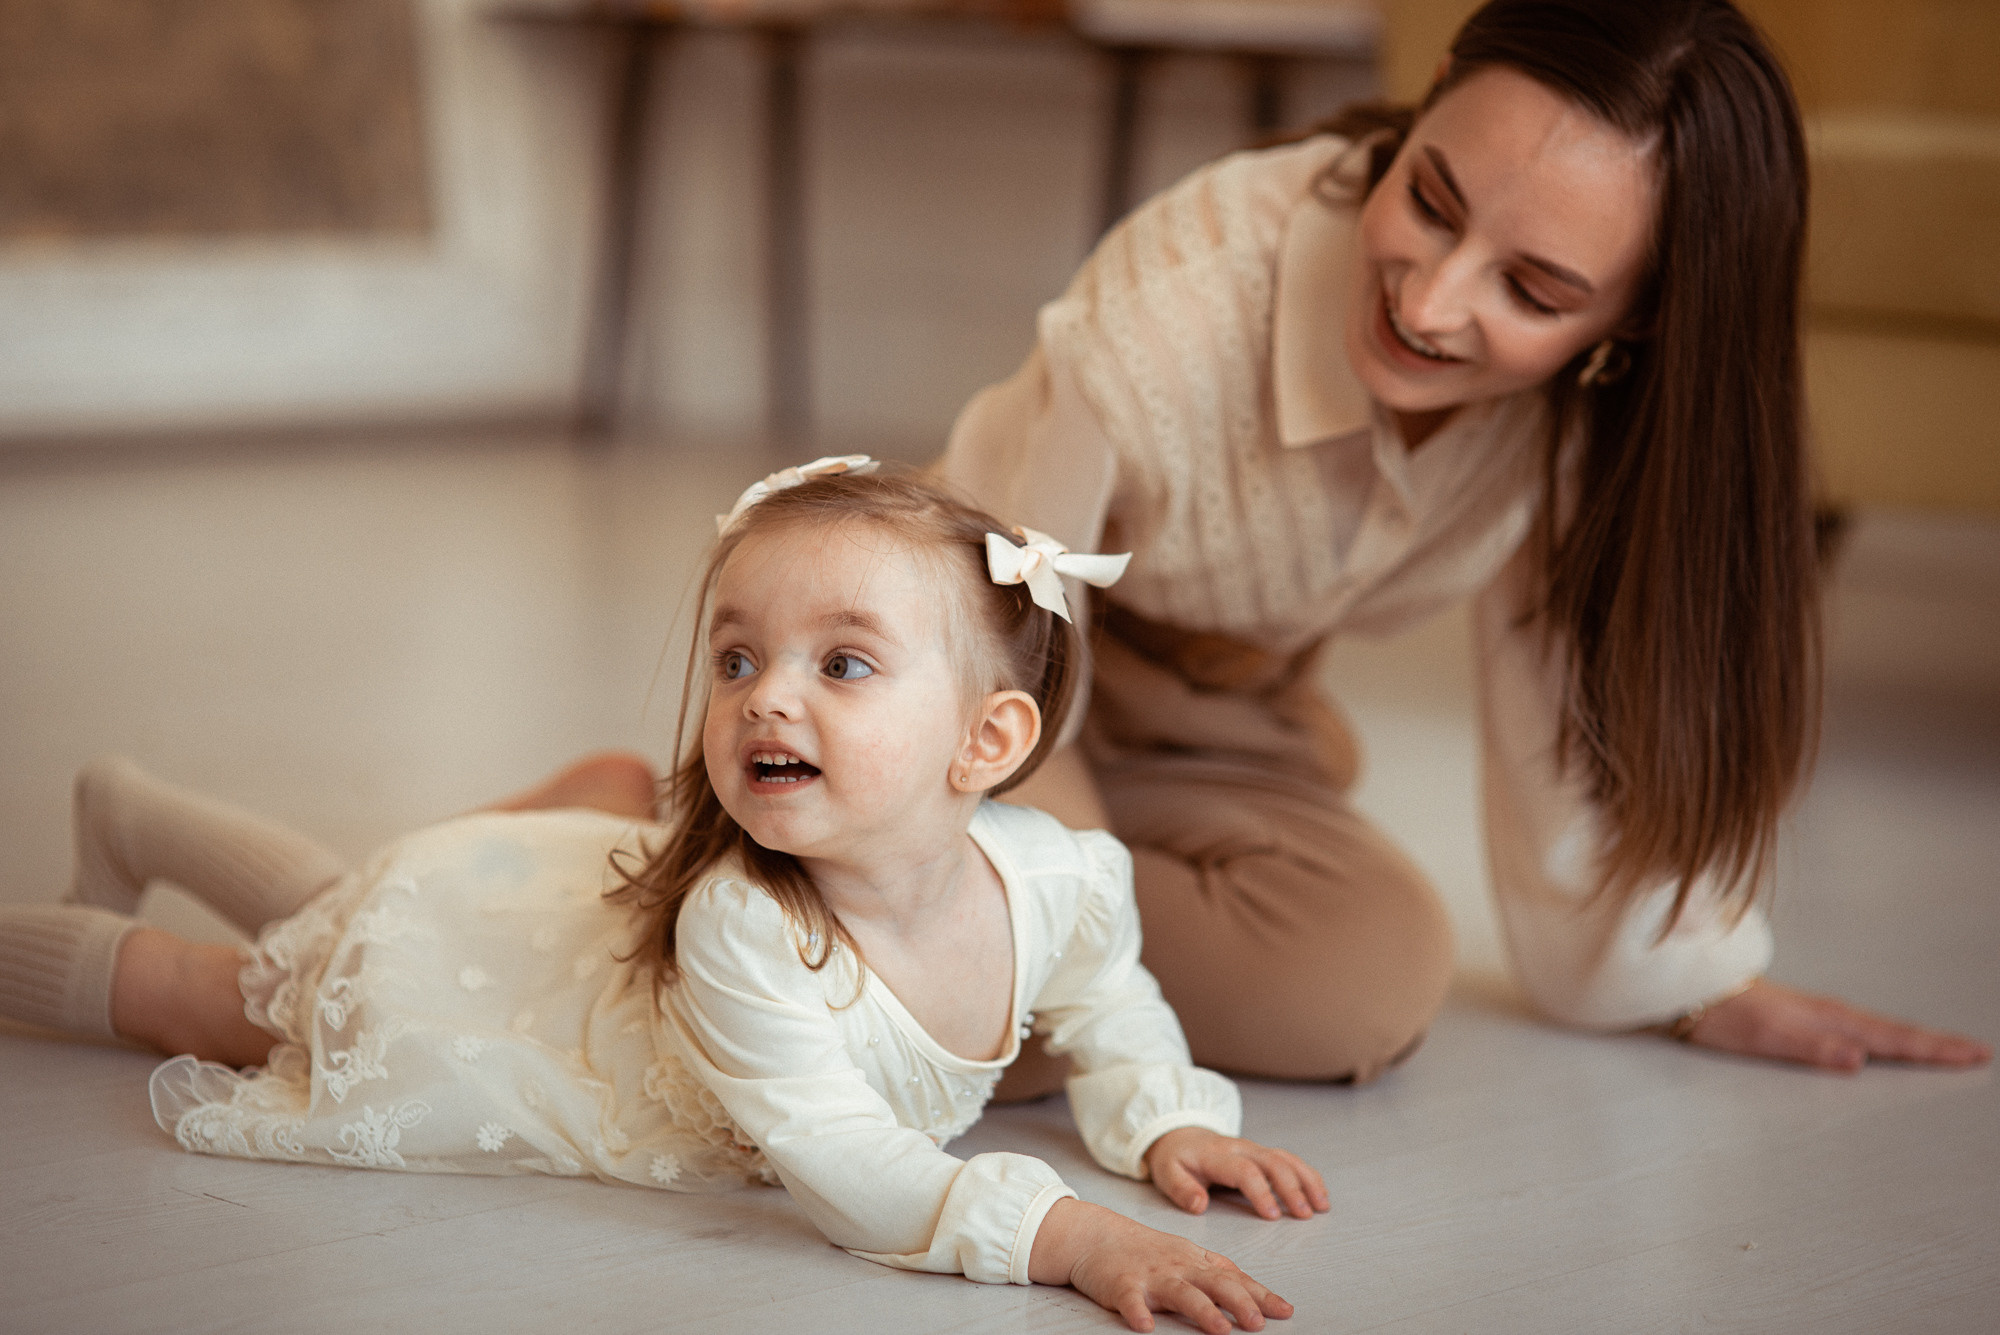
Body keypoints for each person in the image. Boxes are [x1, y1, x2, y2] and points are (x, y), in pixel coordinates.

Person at [500, 0, 1990, 1086]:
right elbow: (1000, 642)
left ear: (1635, 324)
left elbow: (1561, 714)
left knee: (1369, 979)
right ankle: (650, 826)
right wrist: (1051, 957)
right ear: (1412, 122)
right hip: (975, 692)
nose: (1432, 296)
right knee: (954, 1021)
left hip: (1232, 722)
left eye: (1534, 288)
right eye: (1431, 196)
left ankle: (789, 885)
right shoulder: (1172, 304)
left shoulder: (1596, 425)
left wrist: (1686, 982)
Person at [0, 462, 1330, 1335]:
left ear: (985, 743)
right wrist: (1072, 1236)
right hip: (522, 1008)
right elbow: (852, 1168)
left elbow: (1112, 999)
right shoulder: (746, 928)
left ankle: (132, 809)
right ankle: (111, 859)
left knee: (341, 913)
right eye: (739, 655)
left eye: (845, 663)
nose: (767, 694)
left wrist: (1163, 1116)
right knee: (243, 995)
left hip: (542, 926)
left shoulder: (1064, 876)